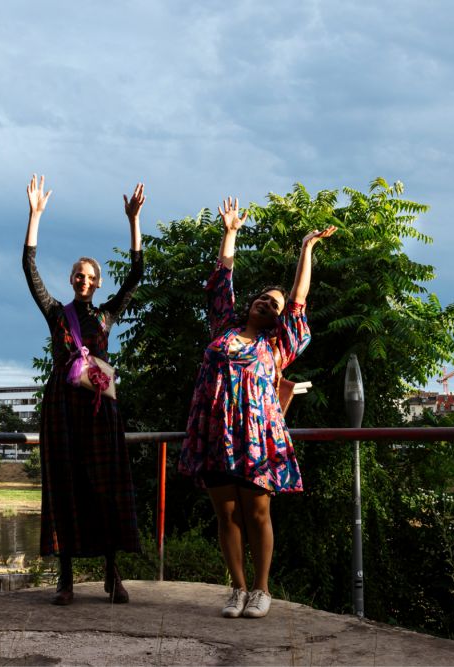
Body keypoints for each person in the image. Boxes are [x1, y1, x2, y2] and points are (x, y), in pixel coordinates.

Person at [179, 196, 335, 618]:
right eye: (263, 299)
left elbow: (300, 300)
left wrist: (306, 248)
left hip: (256, 433)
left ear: (279, 319)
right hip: (214, 430)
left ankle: (262, 590)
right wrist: (229, 233)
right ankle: (237, 588)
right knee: (225, 513)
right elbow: (221, 280)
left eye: (275, 305)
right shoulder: (223, 327)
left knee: (258, 510)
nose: (267, 304)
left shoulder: (277, 345)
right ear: (250, 304)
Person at [22, 174, 145, 605]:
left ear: (97, 283)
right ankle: (66, 579)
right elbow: (29, 269)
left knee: (104, 488)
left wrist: (133, 221)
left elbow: (137, 274)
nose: (82, 279)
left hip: (98, 410)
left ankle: (114, 574)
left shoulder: (107, 317)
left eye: (88, 275)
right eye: (77, 274)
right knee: (65, 486)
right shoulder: (57, 314)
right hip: (61, 409)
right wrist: (35, 216)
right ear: (72, 279)